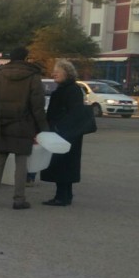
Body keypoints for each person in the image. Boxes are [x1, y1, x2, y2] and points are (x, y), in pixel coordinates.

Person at [0, 46, 48, 210]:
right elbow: (38, 105)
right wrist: (43, 127)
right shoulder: (33, 77)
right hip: (23, 124)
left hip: (2, 123)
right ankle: (19, 199)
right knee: (21, 162)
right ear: (25, 58)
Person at [40, 59, 86, 207]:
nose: (54, 74)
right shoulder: (69, 89)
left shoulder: (70, 90)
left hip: (64, 133)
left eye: (57, 71)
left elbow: (73, 113)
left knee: (62, 164)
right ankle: (66, 194)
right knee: (65, 164)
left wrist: (59, 127)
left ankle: (61, 196)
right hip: (65, 133)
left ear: (66, 73)